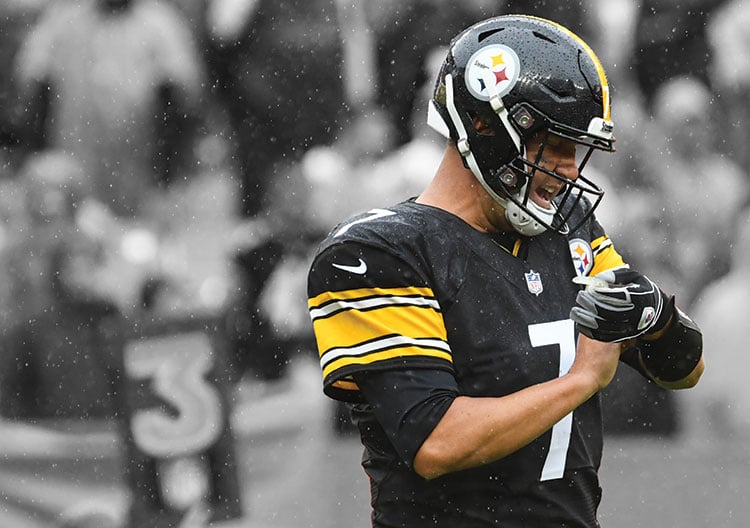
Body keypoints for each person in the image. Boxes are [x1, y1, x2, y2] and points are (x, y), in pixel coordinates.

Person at [306, 15, 704, 527]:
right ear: (488, 128)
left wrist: (658, 318)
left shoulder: (570, 229)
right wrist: (582, 379)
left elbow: (683, 371)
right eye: (555, 144)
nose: (569, 167)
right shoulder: (376, 253)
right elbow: (436, 441)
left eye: (576, 148)